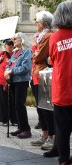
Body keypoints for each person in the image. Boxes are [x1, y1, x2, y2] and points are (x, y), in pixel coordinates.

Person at [49, 0, 72, 165]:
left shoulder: (55, 37)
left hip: (62, 89)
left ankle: (63, 160)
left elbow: (52, 60)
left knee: (62, 129)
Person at [30, 11, 55, 150]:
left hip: (44, 75)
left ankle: (52, 137)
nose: (35, 24)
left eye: (38, 21)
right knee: (41, 108)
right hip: (37, 74)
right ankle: (45, 135)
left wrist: (35, 54)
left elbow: (38, 57)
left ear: (44, 23)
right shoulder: (41, 37)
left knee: (47, 109)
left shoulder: (48, 36)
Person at [4, 32, 32, 139]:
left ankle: (26, 129)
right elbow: (9, 64)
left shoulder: (27, 52)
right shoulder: (15, 53)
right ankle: (21, 127)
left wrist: (11, 71)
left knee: (19, 104)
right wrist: (7, 72)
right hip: (14, 81)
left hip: (21, 81)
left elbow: (25, 68)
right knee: (16, 105)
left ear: (22, 40)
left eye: (16, 39)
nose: (14, 40)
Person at [0, 39, 16, 126]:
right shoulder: (2, 53)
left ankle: (14, 119)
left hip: (13, 80)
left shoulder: (16, 53)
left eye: (11, 45)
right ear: (5, 46)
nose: (10, 46)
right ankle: (4, 119)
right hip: (2, 81)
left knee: (13, 100)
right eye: (8, 45)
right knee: (3, 101)